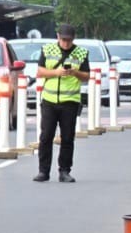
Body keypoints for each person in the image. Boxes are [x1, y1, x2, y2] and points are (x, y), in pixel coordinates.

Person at [35, 23, 90, 183]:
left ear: (74, 39)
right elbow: (40, 71)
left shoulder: (81, 53)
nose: (66, 43)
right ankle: (43, 171)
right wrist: (56, 72)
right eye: (64, 39)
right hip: (49, 100)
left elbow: (86, 76)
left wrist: (75, 72)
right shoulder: (47, 50)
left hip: (70, 101)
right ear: (58, 37)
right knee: (46, 137)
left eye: (69, 40)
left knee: (67, 138)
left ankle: (64, 171)